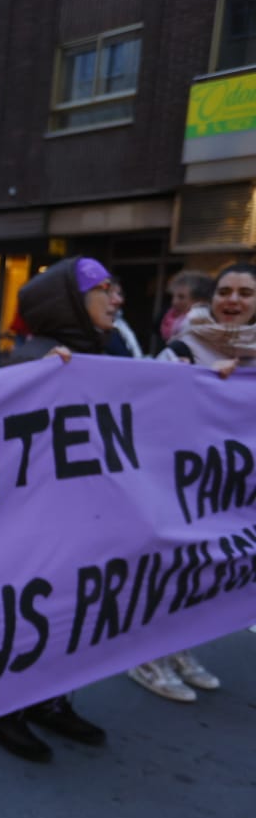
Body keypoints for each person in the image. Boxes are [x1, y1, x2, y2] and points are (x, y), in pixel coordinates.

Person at [0, 256, 116, 763]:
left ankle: (49, 700)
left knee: (67, 616)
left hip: (81, 516)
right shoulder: (31, 360)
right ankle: (2, 711)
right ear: (70, 301)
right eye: (103, 289)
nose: (117, 299)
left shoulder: (103, 350)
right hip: (34, 524)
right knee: (29, 615)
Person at [127, 263, 256, 702]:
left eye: (244, 293)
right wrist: (200, 385)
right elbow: (145, 409)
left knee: (204, 576)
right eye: (225, 291)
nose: (233, 300)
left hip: (231, 490)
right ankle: (147, 658)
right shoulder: (184, 347)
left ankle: (180, 649)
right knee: (171, 571)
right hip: (179, 484)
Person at [157, 271, 214, 343]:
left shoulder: (199, 324)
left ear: (201, 299)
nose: (174, 302)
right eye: (173, 296)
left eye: (181, 297)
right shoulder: (173, 319)